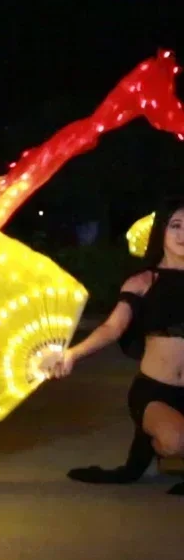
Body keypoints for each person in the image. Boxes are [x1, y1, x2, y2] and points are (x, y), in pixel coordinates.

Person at [50, 199, 184, 495]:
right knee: (175, 442)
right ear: (162, 231)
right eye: (176, 226)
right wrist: (73, 354)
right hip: (156, 391)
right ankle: (154, 444)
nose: (183, 234)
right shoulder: (143, 282)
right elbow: (112, 328)